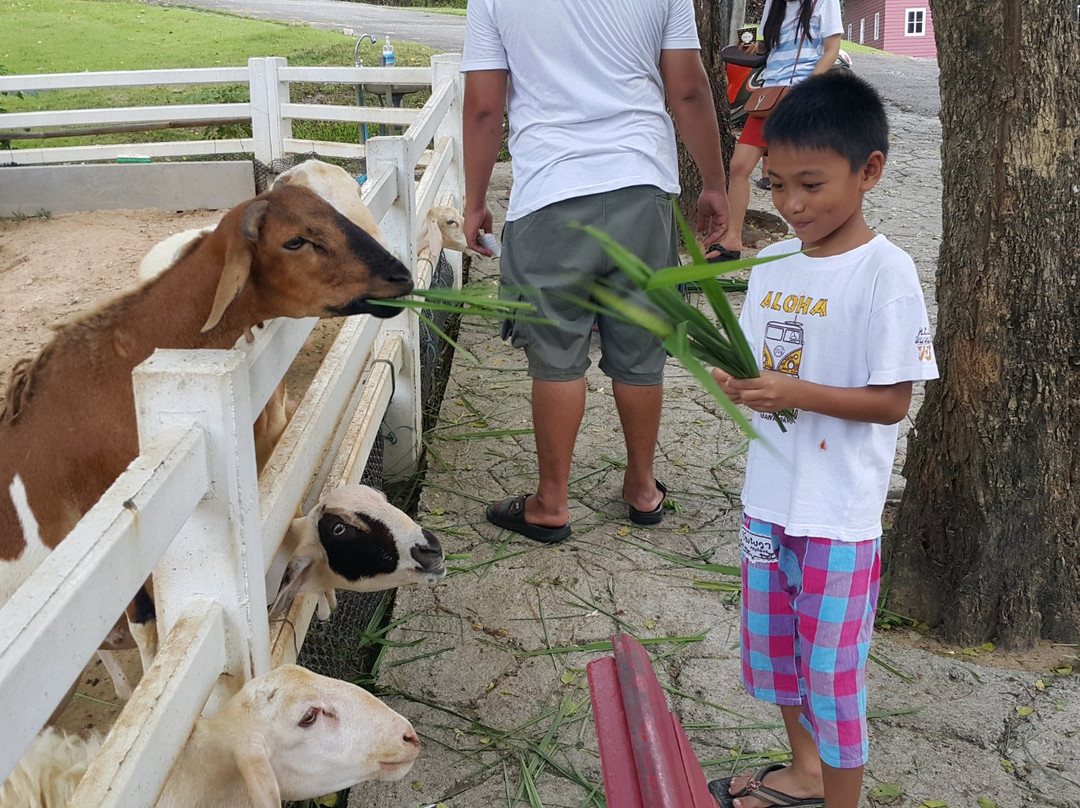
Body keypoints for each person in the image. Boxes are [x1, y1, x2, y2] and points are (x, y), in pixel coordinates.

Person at [708, 71, 939, 808]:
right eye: (776, 186)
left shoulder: (887, 274)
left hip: (838, 520)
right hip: (768, 506)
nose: (793, 205)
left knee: (833, 678)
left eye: (812, 184)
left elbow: (893, 401)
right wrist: (741, 384)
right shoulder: (773, 264)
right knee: (777, 660)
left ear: (868, 171)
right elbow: (763, 370)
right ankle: (804, 772)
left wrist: (797, 393)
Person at [460, 0, 730, 544]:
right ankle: (643, 488)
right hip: (642, 185)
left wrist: (474, 200)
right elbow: (689, 90)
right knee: (641, 348)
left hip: (551, 193)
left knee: (556, 355)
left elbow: (485, 107)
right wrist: (715, 183)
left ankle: (551, 502)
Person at [707, 0, 842, 263]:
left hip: (802, 98)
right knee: (739, 167)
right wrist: (756, 47)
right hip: (768, 97)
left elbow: (832, 50)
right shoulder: (774, 4)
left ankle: (815, 243)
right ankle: (732, 240)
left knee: (803, 175)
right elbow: (773, 48)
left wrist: (806, 90)